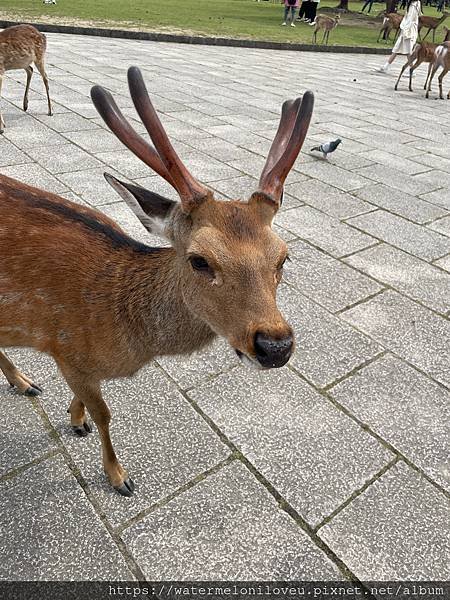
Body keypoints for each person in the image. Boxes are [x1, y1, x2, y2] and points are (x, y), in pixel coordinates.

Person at [375, 0, 421, 73]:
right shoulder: (414, 3)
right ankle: (386, 66)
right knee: (396, 49)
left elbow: (410, 18)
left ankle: (412, 71)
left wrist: (403, 27)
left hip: (408, 31)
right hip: (406, 30)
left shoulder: (414, 5)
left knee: (408, 51)